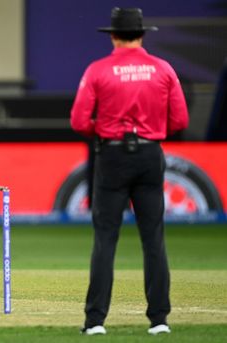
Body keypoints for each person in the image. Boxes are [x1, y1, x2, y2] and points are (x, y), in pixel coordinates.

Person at [70, 8, 189, 336]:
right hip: (151, 155)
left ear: (112, 35)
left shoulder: (98, 70)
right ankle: (160, 320)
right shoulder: (163, 69)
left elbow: (79, 122)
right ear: (142, 34)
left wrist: (106, 127)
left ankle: (95, 322)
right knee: (154, 239)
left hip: (112, 155)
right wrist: (151, 128)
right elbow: (180, 121)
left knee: (105, 239)